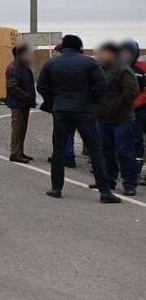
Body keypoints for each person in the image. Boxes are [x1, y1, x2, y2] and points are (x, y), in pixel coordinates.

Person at [36, 34, 120, 203]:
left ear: (64, 47)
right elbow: (101, 86)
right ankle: (105, 192)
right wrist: (92, 101)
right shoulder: (90, 63)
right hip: (85, 110)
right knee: (95, 150)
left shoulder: (52, 63)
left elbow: (41, 86)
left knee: (58, 150)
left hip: (61, 110)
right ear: (79, 47)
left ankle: (56, 188)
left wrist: (54, 101)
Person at [95, 42, 139, 196]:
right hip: (103, 118)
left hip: (122, 118)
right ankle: (109, 179)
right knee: (106, 150)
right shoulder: (100, 70)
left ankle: (130, 183)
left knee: (124, 151)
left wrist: (114, 106)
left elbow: (132, 91)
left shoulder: (123, 69)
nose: (101, 56)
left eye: (104, 53)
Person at [5, 43, 37, 163]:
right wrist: (26, 97)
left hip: (24, 103)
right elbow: (12, 86)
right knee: (17, 129)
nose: (29, 55)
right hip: (18, 103)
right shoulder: (13, 67)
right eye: (27, 53)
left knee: (22, 128)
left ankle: (20, 151)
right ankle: (14, 153)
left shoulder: (24, 66)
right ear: (20, 54)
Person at [119, 40, 145, 181]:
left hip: (140, 111)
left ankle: (137, 170)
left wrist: (133, 104)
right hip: (124, 112)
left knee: (137, 141)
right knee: (127, 141)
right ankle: (129, 170)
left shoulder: (142, 68)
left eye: (128, 52)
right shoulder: (118, 68)